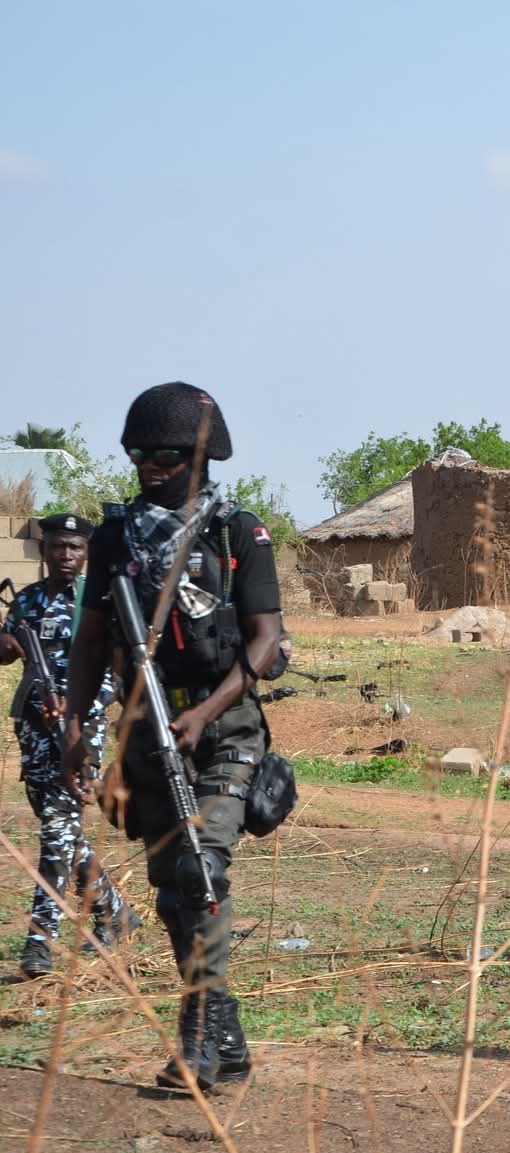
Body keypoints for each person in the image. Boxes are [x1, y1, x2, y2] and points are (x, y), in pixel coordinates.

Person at [63, 382, 287, 1091]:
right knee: (170, 892)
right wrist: (75, 724)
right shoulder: (113, 538)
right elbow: (90, 642)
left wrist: (204, 710)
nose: (147, 467)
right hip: (143, 730)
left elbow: (266, 639)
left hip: (223, 726)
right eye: (138, 455)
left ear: (197, 458)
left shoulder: (235, 534)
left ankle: (197, 1038)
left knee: (203, 868)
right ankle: (228, 1038)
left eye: (163, 455)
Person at [3, 514, 131, 976]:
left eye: (75, 548)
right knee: (59, 830)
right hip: (33, 726)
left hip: (81, 730)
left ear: (86, 553)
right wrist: (7, 642)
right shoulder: (27, 601)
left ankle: (41, 938)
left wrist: (80, 710)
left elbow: (117, 673)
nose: (66, 556)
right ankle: (115, 911)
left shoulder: (98, 604)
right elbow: (2, 652)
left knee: (58, 825)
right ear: (44, 550)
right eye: (58, 546)